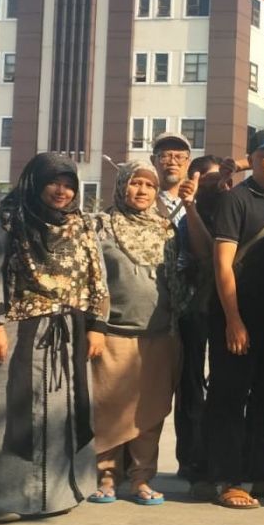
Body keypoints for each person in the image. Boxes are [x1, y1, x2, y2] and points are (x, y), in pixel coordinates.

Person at [0, 152, 110, 523]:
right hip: (17, 330)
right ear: (35, 182)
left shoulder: (82, 224)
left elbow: (97, 277)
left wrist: (97, 326)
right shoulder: (11, 219)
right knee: (7, 412)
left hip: (68, 334)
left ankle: (59, 495)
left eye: (68, 185)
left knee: (62, 414)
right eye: (53, 182)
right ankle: (2, 498)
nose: (61, 191)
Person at [204, 128, 264, 509]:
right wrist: (233, 319)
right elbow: (222, 265)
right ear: (254, 159)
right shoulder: (235, 200)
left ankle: (263, 474)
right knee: (229, 396)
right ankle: (227, 479)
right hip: (237, 317)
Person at [86, 160, 182, 506]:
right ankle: (106, 478)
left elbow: (178, 281)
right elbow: (91, 280)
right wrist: (94, 327)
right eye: (135, 183)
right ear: (121, 185)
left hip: (158, 334)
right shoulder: (100, 226)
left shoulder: (165, 229)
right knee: (108, 409)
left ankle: (142, 479)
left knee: (149, 413)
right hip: (111, 333)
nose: (142, 191)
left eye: (149, 185)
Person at [173, 154, 223, 498]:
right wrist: (190, 206)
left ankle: (217, 457)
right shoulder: (187, 217)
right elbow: (204, 253)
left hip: (225, 311)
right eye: (207, 179)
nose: (214, 185)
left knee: (222, 388)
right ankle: (190, 458)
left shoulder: (233, 210)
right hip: (193, 310)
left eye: (219, 179)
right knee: (190, 387)